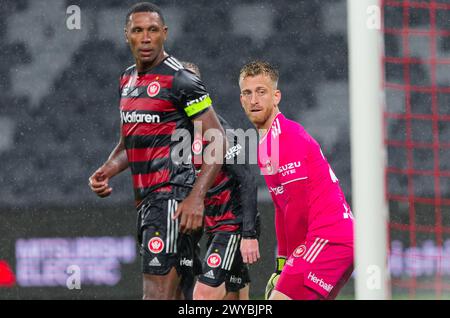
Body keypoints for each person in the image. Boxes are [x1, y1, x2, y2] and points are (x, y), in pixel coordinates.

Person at [88, 2, 226, 300]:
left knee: (155, 295)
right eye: (138, 30)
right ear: (127, 35)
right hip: (150, 202)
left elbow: (218, 139)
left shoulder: (181, 79)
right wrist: (108, 169)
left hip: (173, 200)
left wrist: (196, 197)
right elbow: (131, 142)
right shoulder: (126, 80)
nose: (146, 37)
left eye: (152, 30)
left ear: (164, 33)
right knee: (177, 296)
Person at [238, 61, 354, 300]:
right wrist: (282, 263)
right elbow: (281, 208)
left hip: (329, 238)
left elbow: (298, 207)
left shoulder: (287, 136)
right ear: (241, 100)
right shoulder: (265, 144)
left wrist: (291, 262)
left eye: (261, 92)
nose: (254, 100)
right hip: (329, 240)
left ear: (276, 96)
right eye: (247, 93)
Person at [181, 61, 260, 300]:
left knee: (203, 295)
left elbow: (247, 179)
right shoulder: (178, 131)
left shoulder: (219, 132)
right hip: (208, 226)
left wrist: (248, 234)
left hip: (230, 225)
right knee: (234, 295)